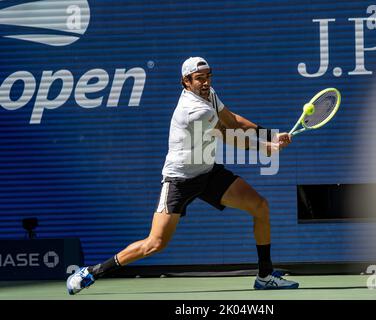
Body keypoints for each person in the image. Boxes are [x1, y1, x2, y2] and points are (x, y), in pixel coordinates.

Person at [67, 57, 298, 295]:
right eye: (200, 78)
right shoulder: (196, 111)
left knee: (260, 206)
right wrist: (267, 148)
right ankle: (92, 272)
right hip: (180, 180)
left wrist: (270, 134)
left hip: (207, 171)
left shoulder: (208, 95)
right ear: (186, 82)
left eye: (208, 76)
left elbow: (233, 119)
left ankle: (265, 275)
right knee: (155, 244)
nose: (206, 82)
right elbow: (229, 136)